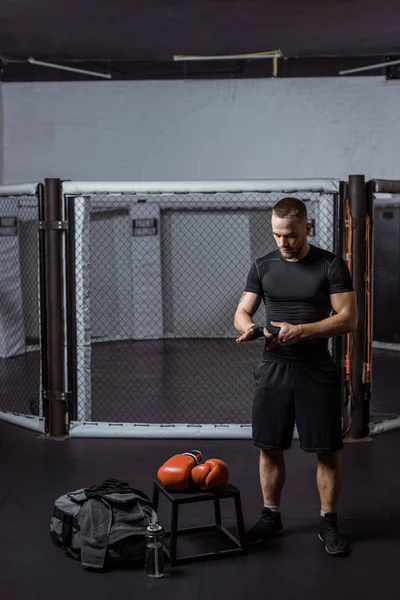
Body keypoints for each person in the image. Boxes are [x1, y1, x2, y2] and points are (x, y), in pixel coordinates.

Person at [233, 197, 357, 556]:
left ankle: (328, 522)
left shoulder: (330, 265)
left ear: (307, 228)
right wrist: (251, 328)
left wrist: (302, 330)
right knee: (269, 446)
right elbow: (243, 310)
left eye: (290, 235)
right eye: (276, 235)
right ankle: (271, 516)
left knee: (326, 449)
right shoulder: (264, 265)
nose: (283, 243)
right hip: (274, 366)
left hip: (315, 366)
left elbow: (348, 318)